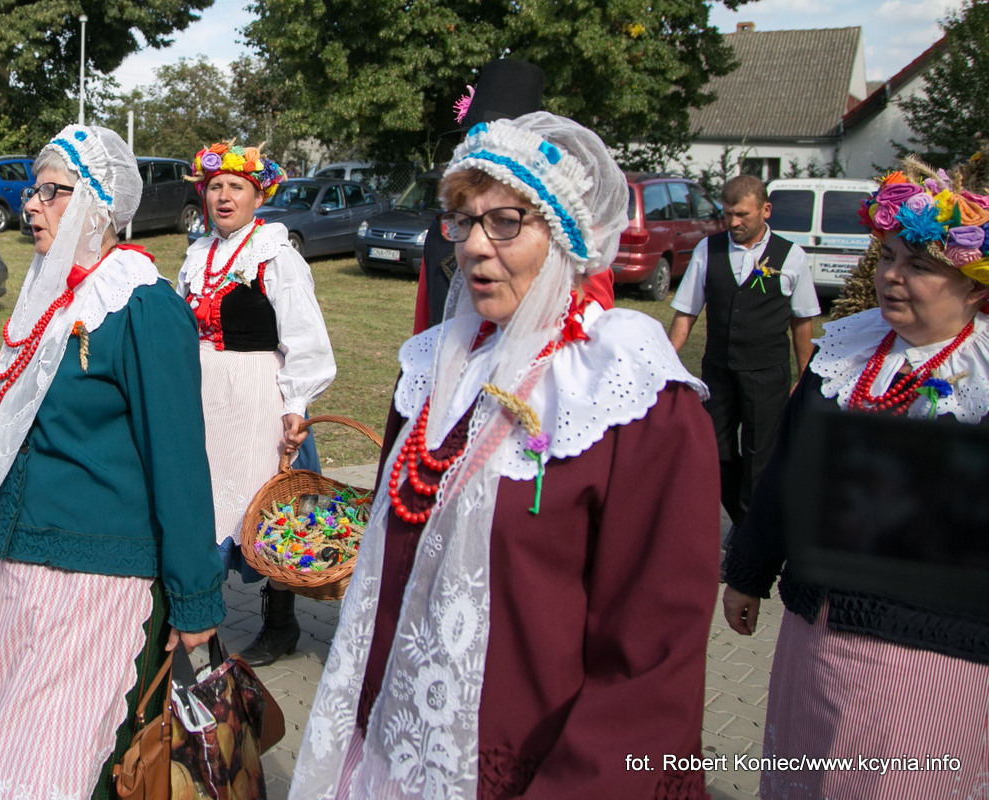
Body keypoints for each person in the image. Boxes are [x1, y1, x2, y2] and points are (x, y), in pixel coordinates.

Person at [291, 113, 721, 799]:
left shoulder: (627, 393)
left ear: (570, 237)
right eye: (463, 220)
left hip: (533, 766)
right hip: (395, 745)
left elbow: (653, 657)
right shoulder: (436, 369)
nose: (474, 247)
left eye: (508, 222)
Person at [0, 124, 224, 798]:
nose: (32, 205)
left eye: (53, 192)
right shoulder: (50, 300)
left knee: (50, 767)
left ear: (100, 204)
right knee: (0, 746)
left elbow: (179, 465)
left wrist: (195, 600)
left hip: (95, 578)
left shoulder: (141, 306)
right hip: (21, 569)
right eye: (34, 191)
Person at [722, 162, 989, 799]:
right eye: (890, 257)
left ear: (976, 288)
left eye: (920, 267)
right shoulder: (844, 352)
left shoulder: (983, 379)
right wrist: (749, 572)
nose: (894, 276)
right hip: (817, 631)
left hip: (932, 646)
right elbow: (787, 467)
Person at [177, 140, 336, 667]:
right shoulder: (197, 254)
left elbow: (305, 337)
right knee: (204, 501)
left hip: (255, 397)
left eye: (236, 188)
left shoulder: (276, 256)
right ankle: (201, 616)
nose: (224, 197)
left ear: (256, 195)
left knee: (267, 501)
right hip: (202, 396)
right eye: (215, 187)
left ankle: (281, 621)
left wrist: (297, 403)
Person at [412, 58, 613, 335]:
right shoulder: (444, 231)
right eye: (470, 144)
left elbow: (589, 327)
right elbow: (427, 320)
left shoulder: (571, 242)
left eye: (506, 221)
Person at [668, 174, 819, 528]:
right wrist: (667, 361)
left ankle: (752, 532)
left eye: (743, 215)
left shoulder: (791, 256)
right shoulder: (709, 249)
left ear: (765, 210)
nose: (734, 222)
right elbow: (686, 313)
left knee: (759, 455)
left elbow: (802, 323)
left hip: (768, 373)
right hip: (719, 372)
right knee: (716, 452)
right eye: (728, 214)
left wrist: (804, 376)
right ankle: (743, 520)